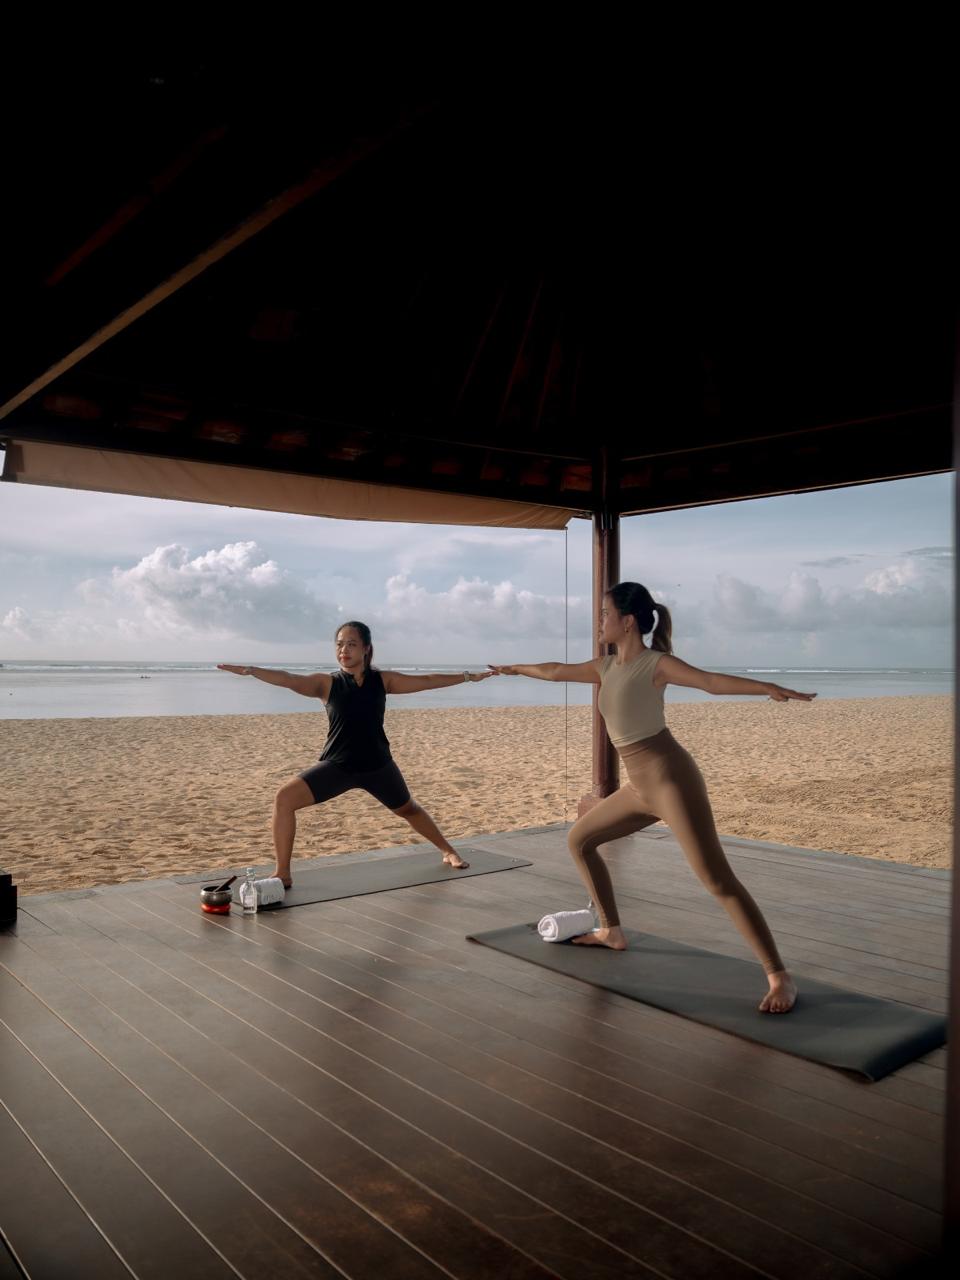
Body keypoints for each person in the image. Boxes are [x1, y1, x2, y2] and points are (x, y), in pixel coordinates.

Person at [489, 581, 816, 1014]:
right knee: (579, 841)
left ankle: (779, 976)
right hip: (638, 786)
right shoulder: (605, 668)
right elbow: (555, 670)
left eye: (604, 614)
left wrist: (767, 687)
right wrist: (515, 668)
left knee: (716, 880)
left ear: (627, 622)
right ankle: (611, 931)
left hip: (670, 780)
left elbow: (710, 682)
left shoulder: (655, 663)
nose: (599, 620)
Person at [219, 621, 491, 886]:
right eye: (339, 645)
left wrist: (467, 677)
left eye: (351, 644)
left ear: (366, 649)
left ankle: (448, 850)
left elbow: (428, 681)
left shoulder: (382, 680)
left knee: (408, 808)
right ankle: (283, 873)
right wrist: (252, 671)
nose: (343, 650)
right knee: (284, 798)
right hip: (339, 766)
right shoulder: (325, 684)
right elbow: (289, 680)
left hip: (378, 766)